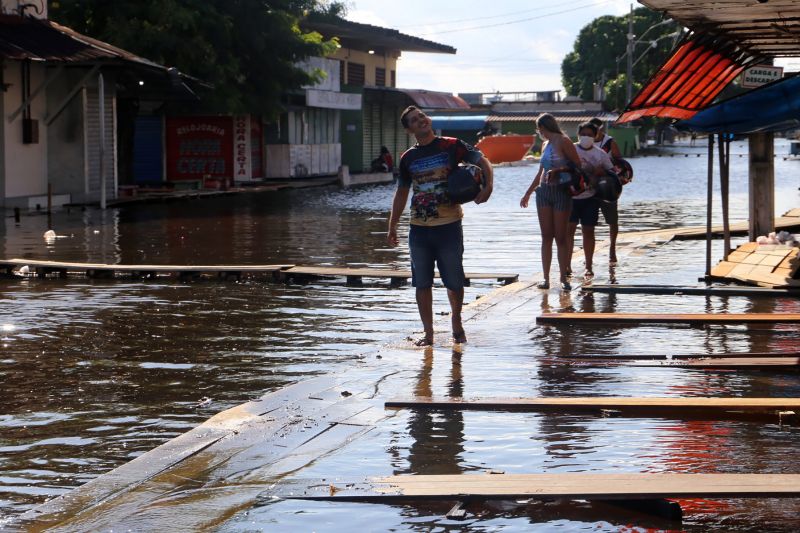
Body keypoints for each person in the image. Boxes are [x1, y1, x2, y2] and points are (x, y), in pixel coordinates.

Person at [387, 106, 493, 346]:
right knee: (421, 283)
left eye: (422, 116)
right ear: (409, 129)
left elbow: (482, 161)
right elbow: (401, 192)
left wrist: (488, 187)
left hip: (449, 226)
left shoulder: (451, 145)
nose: (421, 120)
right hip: (418, 229)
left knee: (454, 281)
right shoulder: (408, 158)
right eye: (414, 120)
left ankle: (456, 320)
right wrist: (392, 225)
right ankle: (428, 334)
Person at [520, 113, 582, 291]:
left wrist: (559, 170)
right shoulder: (545, 144)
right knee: (546, 236)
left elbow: (577, 165)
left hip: (561, 191)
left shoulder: (564, 141)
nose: (539, 132)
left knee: (560, 237)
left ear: (543, 127)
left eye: (539, 129)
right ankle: (546, 278)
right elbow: (540, 172)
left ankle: (563, 277)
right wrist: (528, 193)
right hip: (544, 192)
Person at [569, 122, 615, 279]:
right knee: (569, 231)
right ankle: (566, 265)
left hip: (591, 198)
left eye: (589, 135)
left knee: (588, 231)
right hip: (571, 197)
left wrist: (601, 173)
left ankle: (588, 266)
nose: (586, 137)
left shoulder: (600, 154)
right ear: (578, 135)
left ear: (595, 136)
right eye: (583, 134)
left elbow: (612, 173)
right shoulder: (571, 149)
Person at [589, 117, 623, 264]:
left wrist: (609, 171)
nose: (592, 133)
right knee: (589, 222)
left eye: (596, 130)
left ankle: (612, 249)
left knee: (612, 220)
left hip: (608, 187)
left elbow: (621, 164)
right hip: (590, 187)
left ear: (601, 129)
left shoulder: (610, 143)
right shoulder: (585, 143)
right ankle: (589, 254)